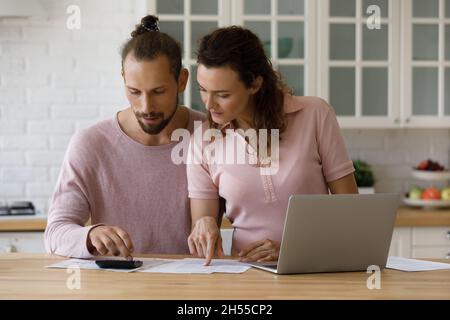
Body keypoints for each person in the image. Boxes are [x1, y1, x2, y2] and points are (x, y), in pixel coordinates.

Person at [187, 26, 358, 265]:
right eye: (203, 90)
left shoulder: (315, 114)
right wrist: (203, 224)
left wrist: (294, 252)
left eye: (222, 94)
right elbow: (203, 223)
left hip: (315, 269)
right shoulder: (202, 141)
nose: (209, 104)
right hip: (246, 275)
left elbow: (352, 213)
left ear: (255, 84)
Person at [45, 15, 206, 259]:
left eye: (158, 92)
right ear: (123, 78)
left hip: (192, 286)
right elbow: (56, 232)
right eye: (134, 91)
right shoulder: (91, 144)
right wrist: (90, 236)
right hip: (117, 288)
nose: (146, 106)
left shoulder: (211, 135)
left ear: (182, 80)